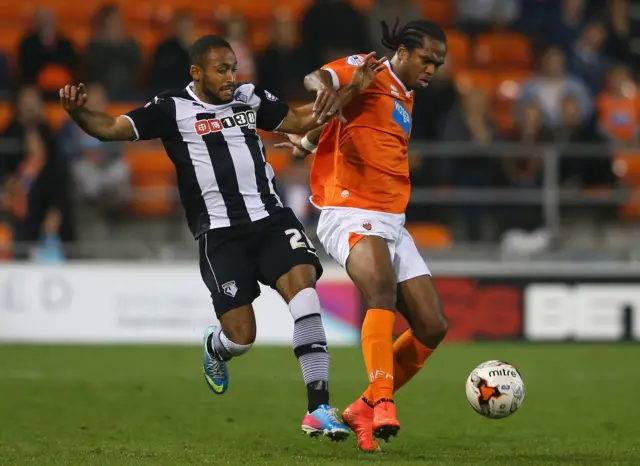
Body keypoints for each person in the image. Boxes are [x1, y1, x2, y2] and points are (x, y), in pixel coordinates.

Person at [59, 35, 386, 439]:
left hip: (271, 220)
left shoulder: (249, 97)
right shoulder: (171, 107)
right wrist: (78, 114)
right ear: (196, 72)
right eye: (222, 70)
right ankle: (217, 347)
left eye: (233, 68)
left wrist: (353, 87)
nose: (232, 77)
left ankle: (318, 407)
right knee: (242, 336)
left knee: (304, 289)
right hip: (220, 235)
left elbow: (302, 120)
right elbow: (110, 128)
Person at [276, 19, 449, 451]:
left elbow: (352, 122)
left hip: (392, 218)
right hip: (348, 208)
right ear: (404, 52)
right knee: (380, 290)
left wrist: (311, 140)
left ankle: (362, 407)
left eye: (438, 64)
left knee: (432, 326)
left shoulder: (406, 95)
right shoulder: (369, 68)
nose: (431, 69)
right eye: (426, 60)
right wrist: (328, 85)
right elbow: (322, 79)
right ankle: (384, 400)